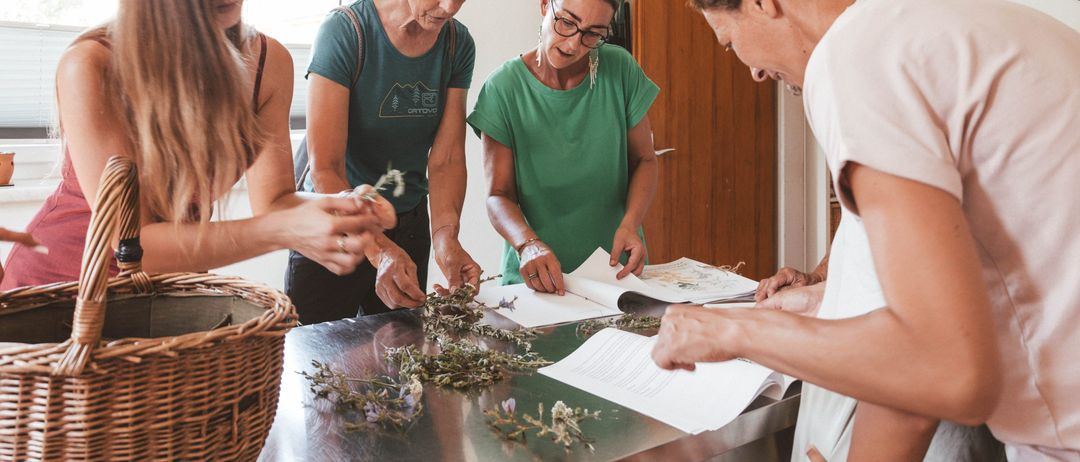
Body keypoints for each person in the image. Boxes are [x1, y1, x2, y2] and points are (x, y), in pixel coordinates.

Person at [652, 0, 1080, 460]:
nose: (754, 71)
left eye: (729, 41)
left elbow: (937, 365)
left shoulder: (858, 56)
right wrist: (826, 297)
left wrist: (734, 332)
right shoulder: (950, 26)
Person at [0, 0, 391, 292]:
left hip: (166, 295)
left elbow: (275, 203)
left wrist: (341, 208)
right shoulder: (92, 63)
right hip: (59, 291)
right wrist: (284, 230)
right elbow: (133, 245)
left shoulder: (269, 63)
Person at [287, 0, 480, 323]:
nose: (449, 7)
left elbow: (446, 160)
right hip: (335, 221)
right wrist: (379, 249)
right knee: (316, 348)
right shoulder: (344, 32)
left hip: (408, 224)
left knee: (399, 350)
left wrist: (446, 239)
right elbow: (326, 168)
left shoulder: (456, 44)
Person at [468, 0, 659, 293]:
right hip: (536, 279)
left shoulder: (620, 68)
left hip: (615, 273)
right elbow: (498, 195)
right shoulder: (503, 88)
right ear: (545, 5)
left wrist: (630, 224)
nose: (573, 45)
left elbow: (644, 160)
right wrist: (528, 245)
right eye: (567, 23)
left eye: (593, 34)